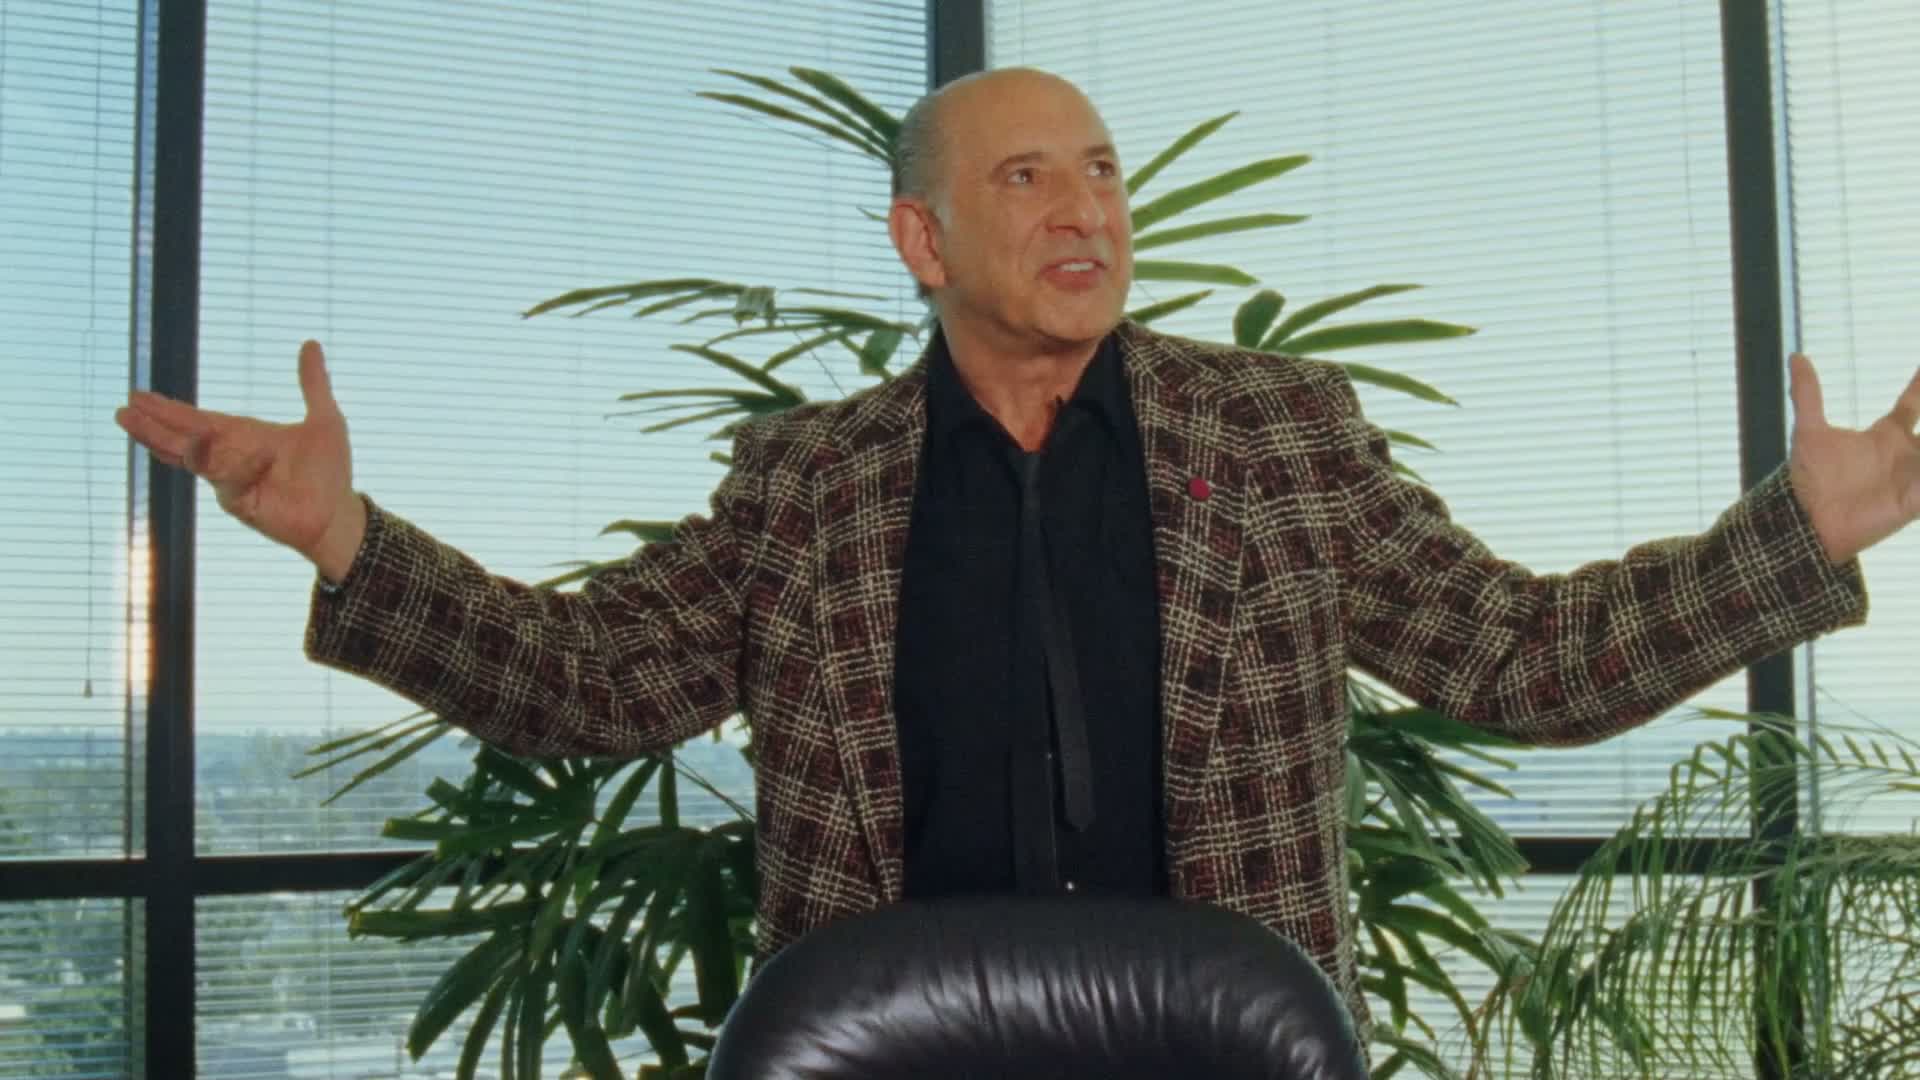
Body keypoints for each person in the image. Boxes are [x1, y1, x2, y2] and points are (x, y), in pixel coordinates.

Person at [117, 68, 1918, 1028]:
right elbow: (592, 685)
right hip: (895, 1050)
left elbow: (1520, 654)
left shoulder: (1278, 435)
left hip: (1222, 1048)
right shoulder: (807, 484)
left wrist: (1803, 533)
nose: (1086, 209)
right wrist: (346, 538)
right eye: (1026, 176)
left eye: (1104, 169)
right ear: (922, 240)